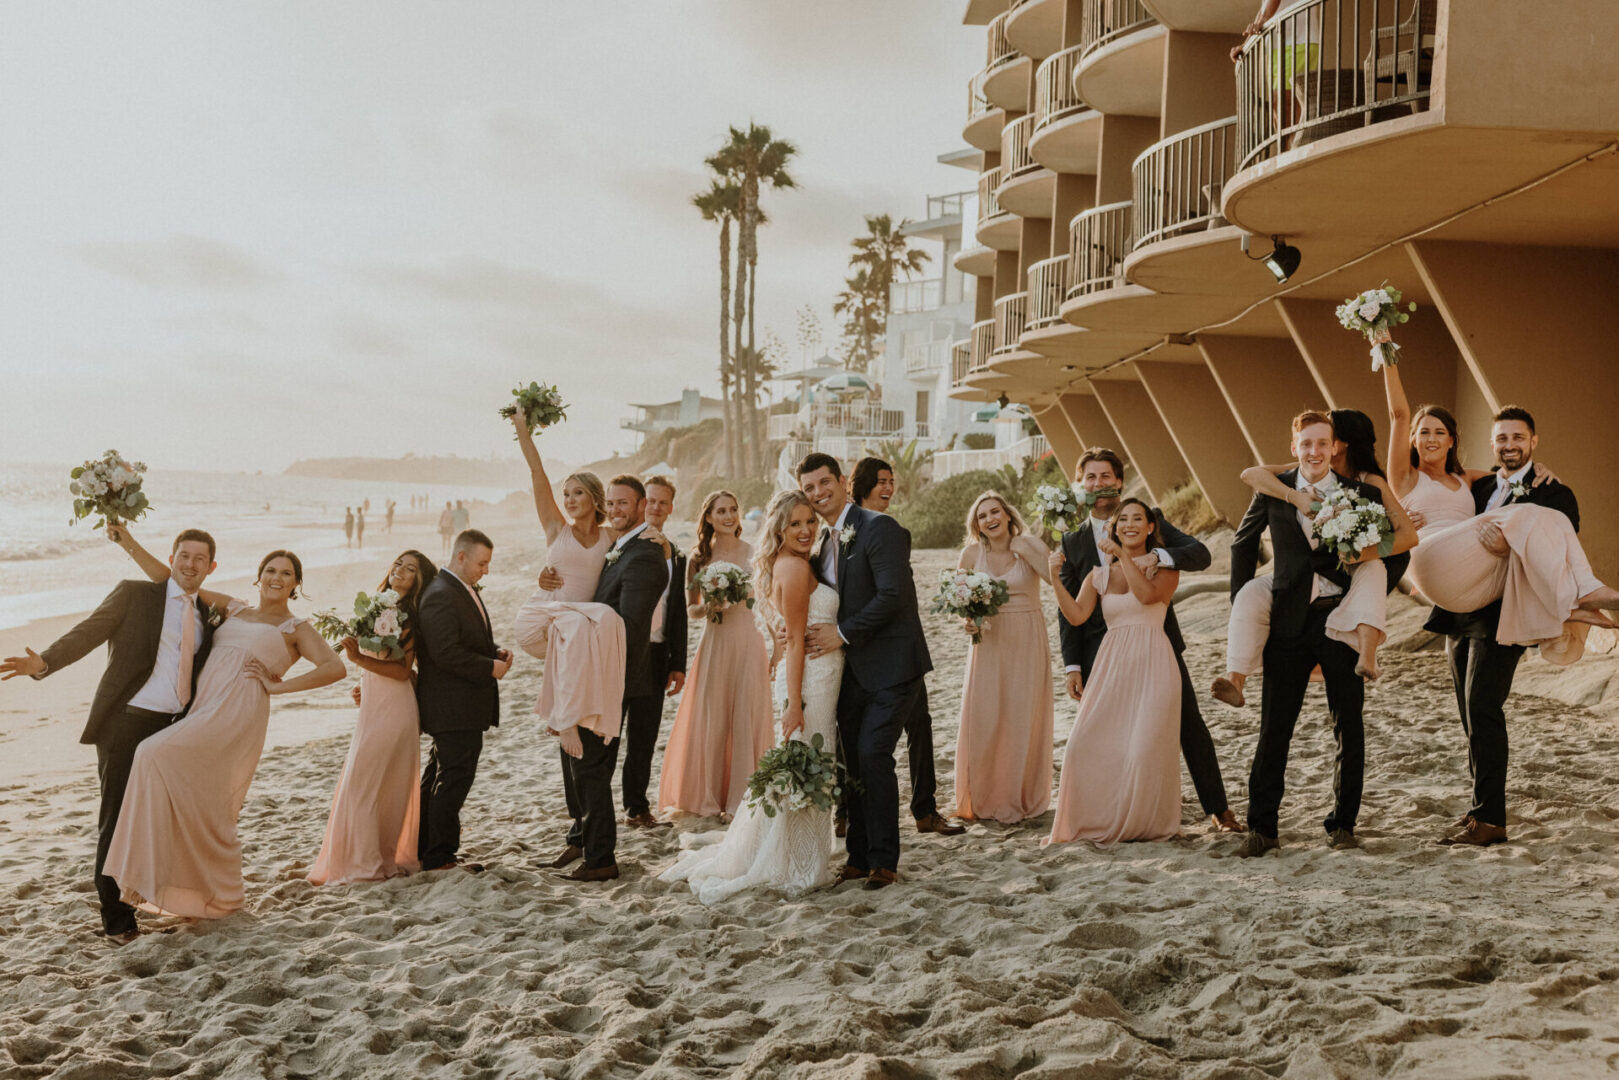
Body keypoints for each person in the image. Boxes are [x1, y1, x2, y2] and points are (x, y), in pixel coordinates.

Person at [1383, 375, 1617, 847]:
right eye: (1502, 438)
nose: (1510, 445)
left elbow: (1554, 541)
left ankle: (1492, 820)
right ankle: (1479, 810)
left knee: (1484, 706)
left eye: (1518, 438)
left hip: (1505, 610)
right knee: (1470, 715)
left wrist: (1508, 544)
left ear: (1533, 442)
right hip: (1462, 609)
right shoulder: (1480, 483)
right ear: (1492, 445)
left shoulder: (1554, 491)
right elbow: (1432, 496)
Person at [101, 534, 347, 917]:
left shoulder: (296, 627)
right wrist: (126, 541)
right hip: (201, 709)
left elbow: (335, 667)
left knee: (151, 753)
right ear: (258, 576)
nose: (276, 577)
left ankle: (139, 880)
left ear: (296, 583)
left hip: (236, 717)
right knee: (202, 804)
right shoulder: (235, 609)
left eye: (286, 573)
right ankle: (211, 894)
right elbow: (171, 578)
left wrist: (276, 687)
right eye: (270, 570)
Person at [0, 527, 219, 942]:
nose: (190, 564)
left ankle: (149, 898)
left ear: (211, 567)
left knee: (157, 819)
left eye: (199, 559)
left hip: (172, 730)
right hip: (125, 723)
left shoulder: (208, 614)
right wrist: (44, 663)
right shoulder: (136, 595)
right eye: (183, 555)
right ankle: (117, 922)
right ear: (171, 558)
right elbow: (88, 631)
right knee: (116, 820)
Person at [661, 490, 843, 901]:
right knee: (805, 765)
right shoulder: (794, 569)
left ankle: (795, 853)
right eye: (795, 523)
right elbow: (794, 641)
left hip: (811, 676)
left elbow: (782, 639)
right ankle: (793, 860)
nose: (805, 529)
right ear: (779, 528)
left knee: (804, 766)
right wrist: (794, 702)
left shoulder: (794, 563)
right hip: (808, 682)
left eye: (809, 522)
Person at [1058, 447, 1240, 832]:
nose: (1099, 484)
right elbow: (1069, 612)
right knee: (1107, 735)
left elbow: (1200, 553)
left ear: (1119, 482)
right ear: (1081, 485)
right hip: (1101, 653)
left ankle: (1220, 811)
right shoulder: (1072, 542)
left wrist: (1160, 557)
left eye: (1105, 476)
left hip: (1157, 643)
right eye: (1090, 478)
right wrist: (1072, 665)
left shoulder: (1146, 520)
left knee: (1190, 725)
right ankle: (1116, 811)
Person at [1230, 411, 1388, 856]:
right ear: (1295, 444)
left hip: (1339, 620)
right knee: (1274, 727)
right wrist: (1242, 604)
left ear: (1334, 446)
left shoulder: (1361, 494)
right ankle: (1261, 829)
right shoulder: (1274, 490)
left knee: (1348, 725)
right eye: (1307, 443)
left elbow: (1391, 549)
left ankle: (1343, 826)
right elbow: (1241, 544)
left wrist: (1372, 593)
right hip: (1287, 619)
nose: (1315, 452)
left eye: (1323, 443)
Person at [1382, 367, 1616, 648]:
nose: (1431, 439)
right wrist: (1385, 350)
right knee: (1525, 512)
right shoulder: (1405, 477)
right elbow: (1398, 415)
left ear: (1451, 440)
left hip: (1468, 582)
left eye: (1439, 432)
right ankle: (1586, 591)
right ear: (1413, 439)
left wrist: (1539, 468)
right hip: (1431, 559)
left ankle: (1570, 602)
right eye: (1423, 433)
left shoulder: (1466, 477)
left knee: (1551, 518)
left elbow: (1512, 472)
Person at [1215, 408, 1418, 703]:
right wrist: (1295, 497)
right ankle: (1235, 678)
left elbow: (1408, 537)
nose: (1317, 446)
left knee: (1373, 569)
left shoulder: (1369, 484)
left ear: (1340, 443)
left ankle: (1368, 652)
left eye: (1326, 438)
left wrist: (1362, 553)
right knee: (1249, 594)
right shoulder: (1304, 467)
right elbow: (1252, 475)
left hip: (1347, 574)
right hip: (1295, 579)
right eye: (1308, 441)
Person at [800, 452, 933, 891]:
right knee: (852, 762)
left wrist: (842, 633)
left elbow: (893, 596)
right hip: (850, 673)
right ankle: (857, 857)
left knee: (874, 753)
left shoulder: (881, 528)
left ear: (841, 481)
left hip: (895, 666)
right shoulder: (820, 543)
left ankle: (883, 861)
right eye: (809, 489)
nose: (818, 494)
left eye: (824, 483)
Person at [547, 476, 668, 883]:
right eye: (611, 504)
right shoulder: (620, 547)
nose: (615, 510)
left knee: (591, 766)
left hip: (610, 676)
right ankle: (581, 839)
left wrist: (604, 681)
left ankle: (601, 859)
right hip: (594, 669)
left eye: (623, 504)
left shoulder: (646, 555)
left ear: (640, 508)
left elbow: (630, 627)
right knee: (575, 758)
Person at [1046, 498, 1184, 846]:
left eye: (1139, 518)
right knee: (1080, 747)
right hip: (1111, 665)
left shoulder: (1164, 567)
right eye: (1123, 519)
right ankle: (1098, 818)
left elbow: (1148, 596)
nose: (1130, 524)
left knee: (1141, 751)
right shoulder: (1098, 575)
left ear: (1151, 527)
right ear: (1115, 527)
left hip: (1154, 661)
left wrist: (1123, 556)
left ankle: (1142, 825)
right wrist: (1053, 578)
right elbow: (1076, 616)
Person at [848, 455, 962, 837]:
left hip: (904, 648)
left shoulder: (890, 530)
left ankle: (925, 810)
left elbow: (903, 596)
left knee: (922, 726)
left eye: (891, 481)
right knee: (857, 739)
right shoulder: (849, 531)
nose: (888, 488)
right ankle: (848, 813)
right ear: (862, 484)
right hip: (867, 649)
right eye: (881, 481)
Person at [308, 549, 437, 885]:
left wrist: (358, 661)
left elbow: (401, 670)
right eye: (399, 564)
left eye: (411, 569)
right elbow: (381, 664)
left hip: (395, 709)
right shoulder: (375, 607)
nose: (401, 571)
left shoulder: (407, 616)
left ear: (418, 580)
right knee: (368, 784)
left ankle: (367, 863)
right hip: (374, 705)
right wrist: (364, 683)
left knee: (369, 785)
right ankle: (368, 857)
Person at [953, 492, 1069, 824]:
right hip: (988, 641)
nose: (989, 519)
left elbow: (1055, 580)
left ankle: (1020, 794)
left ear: (1007, 514)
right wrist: (967, 619)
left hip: (1028, 639)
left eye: (994, 512)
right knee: (986, 716)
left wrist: (1033, 554)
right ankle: (984, 794)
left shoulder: (1028, 545)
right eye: (981, 516)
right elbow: (960, 602)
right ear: (976, 524)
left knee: (1022, 717)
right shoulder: (971, 553)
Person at [657, 490, 774, 818]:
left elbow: (765, 602)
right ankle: (709, 795)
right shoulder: (697, 558)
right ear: (708, 517)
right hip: (715, 643)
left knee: (746, 713)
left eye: (733, 510)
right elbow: (690, 609)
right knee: (713, 718)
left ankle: (744, 793)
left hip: (748, 640)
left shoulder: (754, 553)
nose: (729, 516)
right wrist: (712, 605)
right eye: (721, 511)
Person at [415, 529, 512, 873]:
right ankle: (439, 855)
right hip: (451, 706)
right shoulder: (441, 593)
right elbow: (445, 653)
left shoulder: (458, 588)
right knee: (453, 779)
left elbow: (465, 636)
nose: (485, 570)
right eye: (481, 563)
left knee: (439, 776)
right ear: (460, 557)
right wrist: (490, 668)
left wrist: (493, 650)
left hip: (459, 705)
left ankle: (424, 847)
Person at [620, 474, 686, 828]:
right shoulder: (620, 544)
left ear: (670, 508)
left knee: (644, 736)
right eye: (651, 500)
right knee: (609, 733)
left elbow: (677, 613)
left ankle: (636, 806)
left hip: (656, 654)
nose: (656, 507)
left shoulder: (676, 554)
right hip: (620, 652)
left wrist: (678, 664)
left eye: (663, 502)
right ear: (641, 503)